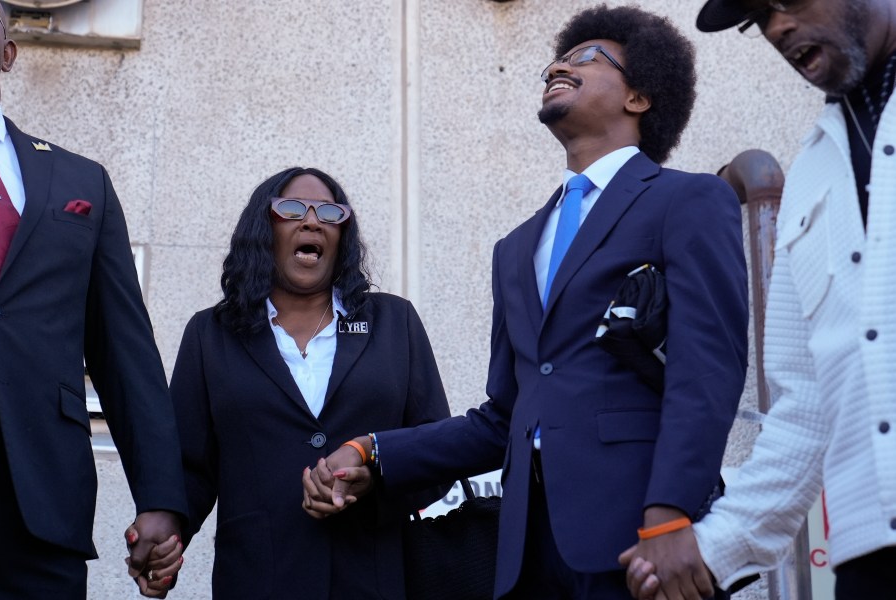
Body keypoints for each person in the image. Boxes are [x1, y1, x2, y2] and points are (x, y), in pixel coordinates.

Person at [302, 5, 749, 599]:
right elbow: (504, 419)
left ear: (639, 96)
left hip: (640, 540)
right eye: (557, 59)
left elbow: (708, 372)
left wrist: (669, 513)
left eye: (586, 57)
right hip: (526, 554)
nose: (559, 66)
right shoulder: (515, 249)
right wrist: (372, 449)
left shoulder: (689, 200)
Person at [622, 1, 896, 599]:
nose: (778, 28)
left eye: (788, 0)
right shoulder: (812, 178)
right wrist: (710, 547)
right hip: (872, 555)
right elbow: (804, 408)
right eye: (760, 17)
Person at [163, 166, 451, 599]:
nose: (312, 221)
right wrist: (165, 533)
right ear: (264, 227)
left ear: (342, 235)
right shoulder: (211, 334)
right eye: (293, 209)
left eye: (329, 212)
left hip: (373, 579)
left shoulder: (395, 323)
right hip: (257, 581)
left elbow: (435, 448)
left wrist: (374, 477)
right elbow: (187, 467)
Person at [0, 2, 187, 598]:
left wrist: (160, 497)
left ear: (8, 52)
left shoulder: (82, 183)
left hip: (40, 507)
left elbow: (124, 350)